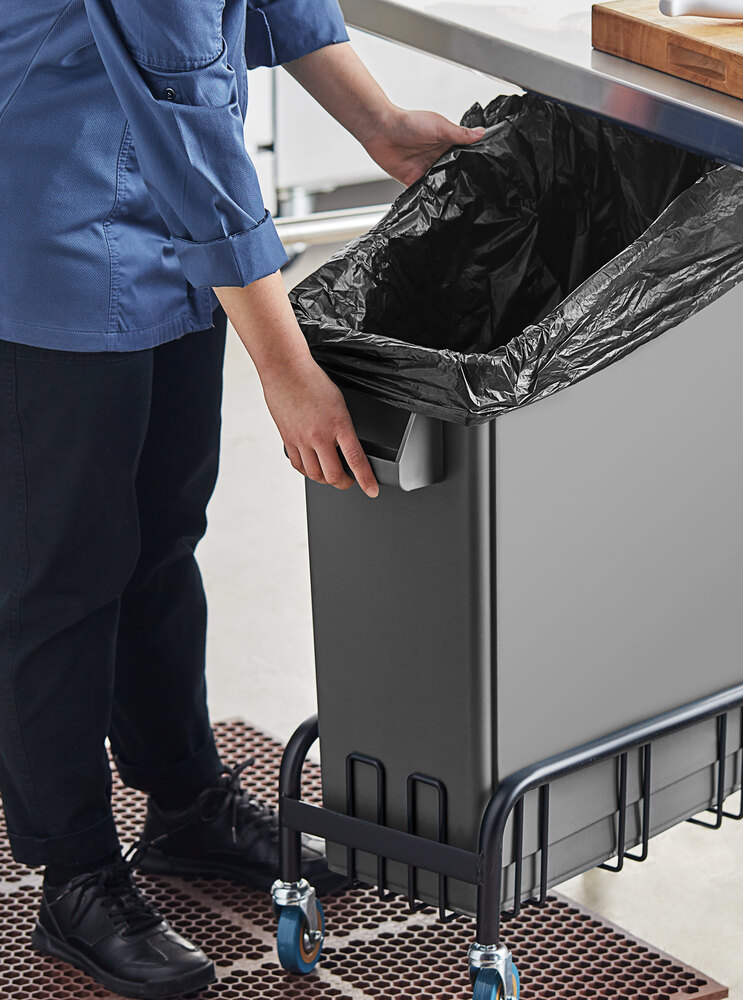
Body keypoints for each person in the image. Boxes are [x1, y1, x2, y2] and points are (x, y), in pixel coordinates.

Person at [0, 1, 485, 996]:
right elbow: (181, 110)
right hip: (48, 210)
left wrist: (378, 122)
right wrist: (286, 366)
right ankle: (76, 873)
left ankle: (183, 805)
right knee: (62, 567)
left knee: (163, 534)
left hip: (177, 233)